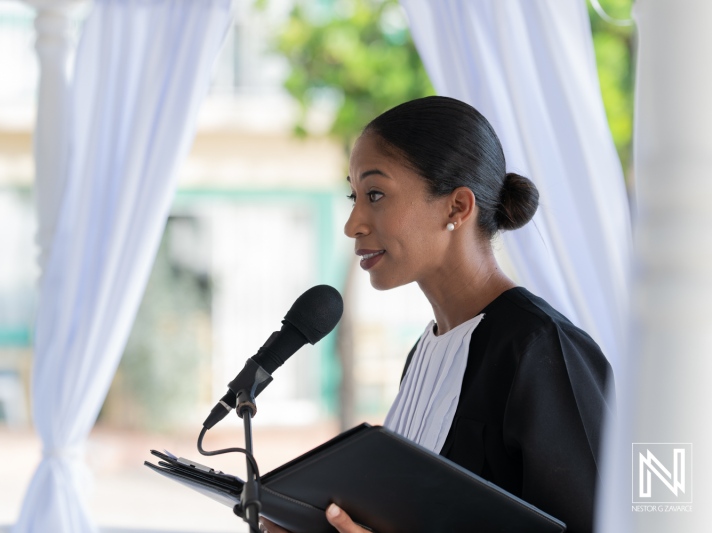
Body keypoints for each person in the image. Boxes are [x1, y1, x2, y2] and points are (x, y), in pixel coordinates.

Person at [260, 96, 614, 533]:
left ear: (457, 208)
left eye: (374, 194)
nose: (353, 223)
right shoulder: (426, 352)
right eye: (355, 196)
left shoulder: (542, 350)